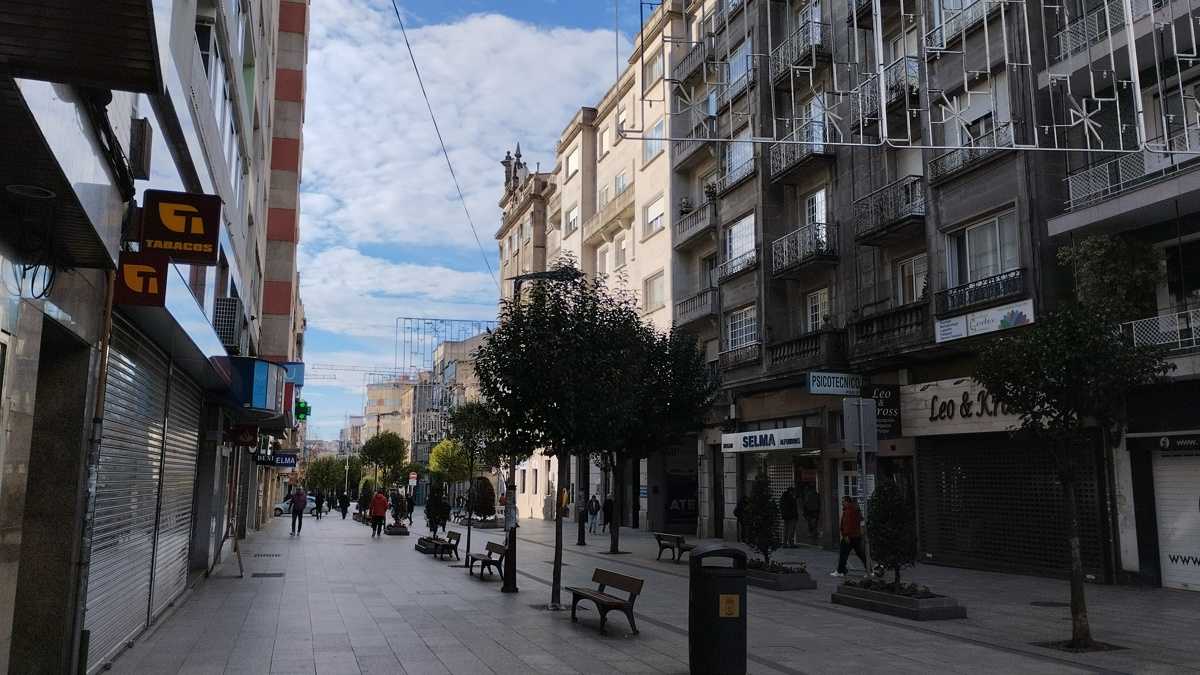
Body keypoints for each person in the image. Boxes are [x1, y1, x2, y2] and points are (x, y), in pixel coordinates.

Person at [832, 495, 868, 577]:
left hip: (849, 536)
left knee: (843, 554)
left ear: (847, 502)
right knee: (861, 554)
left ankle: (840, 571)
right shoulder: (856, 509)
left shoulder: (848, 511)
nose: (842, 503)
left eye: (843, 501)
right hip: (856, 535)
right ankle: (869, 570)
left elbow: (847, 524)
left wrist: (846, 535)